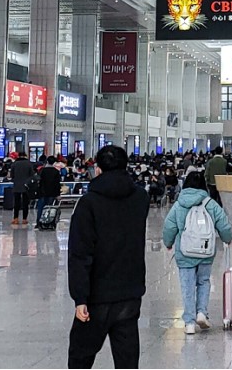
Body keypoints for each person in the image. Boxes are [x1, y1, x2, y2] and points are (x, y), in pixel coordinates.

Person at [67, 145, 149, 369]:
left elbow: (80, 253)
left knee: (80, 356)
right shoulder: (140, 198)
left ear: (98, 169)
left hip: (97, 296)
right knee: (127, 359)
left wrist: (80, 297)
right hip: (130, 292)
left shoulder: (89, 204)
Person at [161, 172, 232, 334]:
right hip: (205, 252)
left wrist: (168, 243)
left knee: (187, 287)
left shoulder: (179, 205)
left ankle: (189, 323)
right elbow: (224, 224)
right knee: (203, 281)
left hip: (185, 252)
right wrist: (227, 239)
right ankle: (201, 312)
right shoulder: (210, 204)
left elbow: (169, 226)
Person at [37, 155, 63, 224]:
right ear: (54, 162)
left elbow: (40, 182)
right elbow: (57, 184)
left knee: (41, 208)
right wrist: (58, 194)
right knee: (49, 208)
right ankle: (48, 222)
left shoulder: (42, 171)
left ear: (47, 161)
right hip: (52, 193)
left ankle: (39, 222)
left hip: (42, 192)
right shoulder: (56, 171)